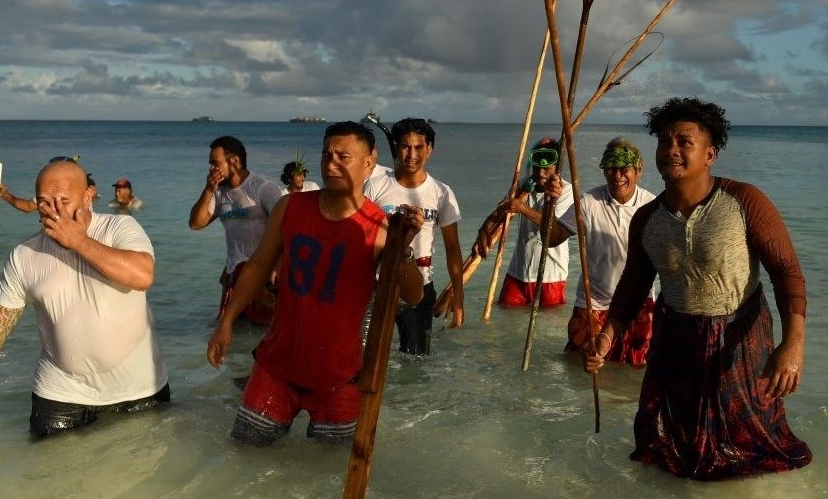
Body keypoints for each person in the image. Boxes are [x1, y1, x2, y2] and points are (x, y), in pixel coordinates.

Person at [584, 97, 812, 480]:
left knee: (750, 446)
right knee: (666, 447)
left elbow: (786, 272)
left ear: (710, 154)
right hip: (675, 337)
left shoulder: (744, 201)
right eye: (664, 141)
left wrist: (793, 345)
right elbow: (633, 286)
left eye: (683, 141)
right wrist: (607, 335)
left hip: (740, 336)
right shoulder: (647, 219)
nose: (671, 149)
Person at [206, 121, 426, 445]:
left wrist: (402, 247)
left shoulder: (380, 226)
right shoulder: (291, 207)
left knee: (326, 471)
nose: (331, 163)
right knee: (245, 453)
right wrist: (225, 323)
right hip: (277, 367)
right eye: (326, 155)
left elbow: (414, 294)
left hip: (340, 377)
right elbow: (258, 266)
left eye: (343, 156)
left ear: (369, 163)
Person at [0, 159, 168, 437]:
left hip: (139, 388)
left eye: (63, 201)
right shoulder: (25, 254)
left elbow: (142, 276)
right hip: (60, 393)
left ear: (88, 197)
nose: (52, 210)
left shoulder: (119, 228)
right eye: (44, 202)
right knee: (50, 476)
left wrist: (79, 241)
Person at [543, 138, 657, 367]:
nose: (617, 176)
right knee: (579, 366)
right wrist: (549, 202)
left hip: (638, 302)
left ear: (639, 170)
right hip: (593, 304)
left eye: (624, 169)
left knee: (636, 368)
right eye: (611, 169)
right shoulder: (587, 202)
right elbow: (552, 239)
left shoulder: (651, 205)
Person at [364, 118, 466, 354]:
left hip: (420, 287)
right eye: (405, 147)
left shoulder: (442, 193)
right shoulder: (374, 187)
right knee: (367, 358)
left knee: (416, 362)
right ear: (396, 148)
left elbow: (453, 249)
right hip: (377, 286)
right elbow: (361, 239)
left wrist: (458, 297)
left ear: (429, 150)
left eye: (419, 147)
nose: (411, 154)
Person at [188, 136, 285, 325]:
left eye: (215, 163)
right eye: (210, 164)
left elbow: (286, 227)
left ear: (235, 161)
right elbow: (195, 224)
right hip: (233, 273)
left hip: (263, 273)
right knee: (230, 330)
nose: (211, 168)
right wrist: (208, 190)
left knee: (265, 329)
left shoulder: (263, 188)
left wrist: (279, 264)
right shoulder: (218, 192)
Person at [472, 137, 572, 309]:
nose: (540, 173)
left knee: (546, 329)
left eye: (546, 169)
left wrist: (523, 209)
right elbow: (501, 211)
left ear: (557, 168)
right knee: (506, 317)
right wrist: (484, 229)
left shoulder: (566, 191)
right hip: (517, 272)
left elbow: (553, 227)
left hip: (550, 276)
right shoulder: (523, 185)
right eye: (537, 168)